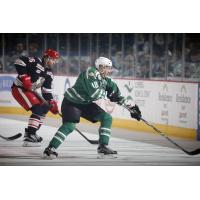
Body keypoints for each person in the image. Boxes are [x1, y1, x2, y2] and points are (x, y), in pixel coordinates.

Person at [43, 57, 142, 159]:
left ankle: (103, 147)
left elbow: (117, 95)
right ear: (101, 67)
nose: (109, 70)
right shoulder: (91, 73)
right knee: (69, 126)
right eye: (107, 68)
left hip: (86, 104)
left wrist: (131, 107)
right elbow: (95, 94)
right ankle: (50, 149)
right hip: (72, 102)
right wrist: (112, 95)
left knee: (106, 118)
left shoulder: (107, 80)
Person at [11, 49, 60, 147]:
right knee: (37, 108)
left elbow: (46, 91)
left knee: (45, 108)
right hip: (19, 89)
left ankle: (32, 132)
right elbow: (18, 61)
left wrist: (51, 102)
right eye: (53, 60)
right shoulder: (35, 61)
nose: (54, 62)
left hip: (29, 91)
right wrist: (24, 76)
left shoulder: (49, 74)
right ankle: (30, 136)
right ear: (47, 58)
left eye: (55, 60)